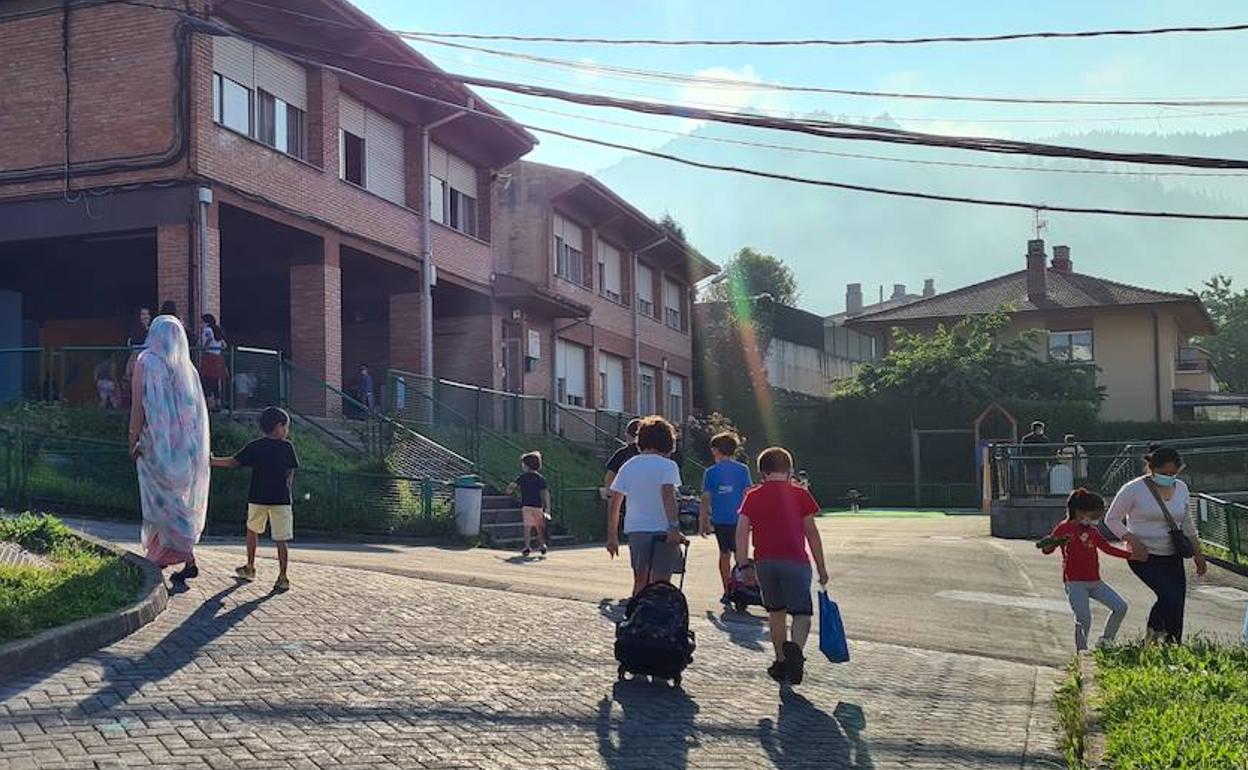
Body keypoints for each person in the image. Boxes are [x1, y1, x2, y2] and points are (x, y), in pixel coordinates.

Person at [736, 446, 829, 686]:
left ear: (762, 472)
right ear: (789, 470)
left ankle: (780, 661)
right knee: (802, 613)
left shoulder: (752, 496)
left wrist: (743, 564)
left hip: (765, 562)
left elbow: (742, 531)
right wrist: (821, 566)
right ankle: (795, 651)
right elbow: (812, 532)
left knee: (776, 612)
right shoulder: (800, 495)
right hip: (795, 560)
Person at [128, 315, 210, 583]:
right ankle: (161, 555)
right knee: (175, 501)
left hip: (155, 445)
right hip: (185, 450)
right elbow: (198, 414)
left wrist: (132, 439)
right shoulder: (188, 369)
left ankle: (185, 555)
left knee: (160, 502)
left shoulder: (147, 361)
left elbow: (138, 406)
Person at [1105, 444, 1206, 643]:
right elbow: (1112, 519)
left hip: (1172, 554)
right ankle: (1152, 636)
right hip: (1143, 556)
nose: (1168, 476)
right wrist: (1132, 540)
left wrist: (1198, 554)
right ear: (1151, 468)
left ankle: (1173, 641)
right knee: (1168, 595)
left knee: (1177, 600)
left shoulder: (1182, 488)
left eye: (1173, 473)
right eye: (1163, 472)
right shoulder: (1133, 489)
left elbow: (1187, 523)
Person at [210, 406, 300, 592]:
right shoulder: (287, 447)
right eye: (286, 427)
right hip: (281, 499)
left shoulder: (256, 446)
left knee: (252, 531)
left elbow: (234, 462)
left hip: (258, 496)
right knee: (281, 538)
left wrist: (212, 461)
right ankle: (282, 576)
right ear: (279, 426)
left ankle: (250, 567)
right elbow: (291, 471)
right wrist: (287, 489)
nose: (286, 431)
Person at [1040, 488, 1131, 651]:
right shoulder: (1063, 528)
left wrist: (1131, 555)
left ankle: (1106, 641)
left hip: (1095, 582)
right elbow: (1047, 550)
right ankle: (1081, 653)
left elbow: (1108, 549)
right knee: (1084, 619)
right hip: (1075, 583)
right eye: (1093, 516)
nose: (1095, 521)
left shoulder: (1092, 531)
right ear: (1080, 512)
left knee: (1120, 607)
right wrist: (1051, 543)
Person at [607, 416, 684, 598]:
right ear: (668, 442)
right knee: (661, 581)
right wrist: (674, 527)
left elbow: (615, 502)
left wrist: (612, 536)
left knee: (640, 579)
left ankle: (638, 616)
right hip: (662, 530)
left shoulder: (628, 466)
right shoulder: (668, 466)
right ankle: (659, 619)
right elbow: (667, 495)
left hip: (637, 529)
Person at [698, 431, 752, 605]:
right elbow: (747, 493)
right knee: (741, 554)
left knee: (724, 554)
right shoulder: (743, 469)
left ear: (715, 450)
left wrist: (703, 520)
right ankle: (742, 587)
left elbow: (706, 497)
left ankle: (726, 589)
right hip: (740, 519)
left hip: (721, 519)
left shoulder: (711, 472)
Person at [507, 451, 550, 557]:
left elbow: (512, 486)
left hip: (526, 505)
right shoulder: (540, 479)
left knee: (527, 526)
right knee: (539, 526)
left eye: (523, 464)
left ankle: (527, 546)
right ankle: (542, 545)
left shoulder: (523, 477)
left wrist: (509, 490)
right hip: (538, 506)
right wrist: (547, 507)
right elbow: (545, 493)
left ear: (527, 465)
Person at [603, 418, 641, 499]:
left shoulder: (622, 453)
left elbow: (610, 475)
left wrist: (609, 493)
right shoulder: (650, 454)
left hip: (624, 497)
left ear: (627, 434)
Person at [199, 314, 227, 412]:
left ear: (206, 322)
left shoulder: (207, 330)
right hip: (217, 357)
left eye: (202, 322)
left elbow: (209, 339)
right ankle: (218, 404)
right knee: (215, 381)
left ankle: (209, 405)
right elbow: (224, 345)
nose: (201, 324)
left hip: (209, 356)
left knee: (206, 381)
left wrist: (204, 348)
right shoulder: (218, 330)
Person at [1020, 420, 1050, 498]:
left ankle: (1039, 498)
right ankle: (1033, 498)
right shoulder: (1027, 439)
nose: (1042, 430)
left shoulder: (1044, 439)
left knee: (1041, 482)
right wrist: (1025, 461)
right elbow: (1023, 451)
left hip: (1040, 463)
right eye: (1041, 428)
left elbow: (1048, 451)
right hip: (1032, 463)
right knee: (1031, 481)